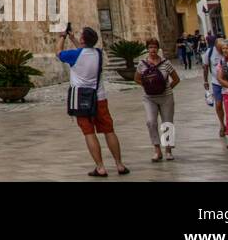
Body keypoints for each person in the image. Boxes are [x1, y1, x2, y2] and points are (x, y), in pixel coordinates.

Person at [57, 26, 128, 177]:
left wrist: (62, 37)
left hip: (81, 100)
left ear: (83, 40)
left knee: (89, 133)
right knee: (109, 131)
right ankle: (119, 164)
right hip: (100, 98)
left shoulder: (74, 56)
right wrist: (74, 39)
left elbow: (58, 53)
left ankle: (100, 167)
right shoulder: (99, 53)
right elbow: (84, 52)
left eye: (80, 36)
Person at [135, 37, 180, 162]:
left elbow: (176, 79)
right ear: (147, 49)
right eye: (150, 47)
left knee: (167, 123)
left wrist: (166, 88)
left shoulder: (166, 63)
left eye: (154, 47)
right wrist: (148, 86)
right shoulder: (142, 64)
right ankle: (157, 149)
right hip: (149, 98)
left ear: (158, 49)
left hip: (166, 97)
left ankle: (168, 150)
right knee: (151, 122)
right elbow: (137, 79)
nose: (152, 50)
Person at [203, 33, 227, 137]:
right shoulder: (210, 52)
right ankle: (222, 124)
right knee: (218, 104)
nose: (222, 50)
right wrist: (205, 81)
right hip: (216, 82)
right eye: (220, 48)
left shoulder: (227, 50)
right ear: (216, 46)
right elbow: (205, 67)